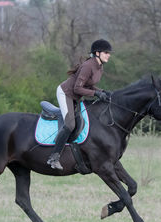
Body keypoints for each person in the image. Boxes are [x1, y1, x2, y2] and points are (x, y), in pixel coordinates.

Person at [46, 39, 112, 170]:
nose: (108, 55)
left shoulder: (100, 67)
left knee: (80, 122)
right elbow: (77, 88)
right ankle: (54, 157)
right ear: (97, 53)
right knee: (70, 124)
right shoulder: (88, 66)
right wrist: (95, 94)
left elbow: (90, 85)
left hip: (75, 97)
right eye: (106, 52)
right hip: (65, 93)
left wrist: (102, 91)